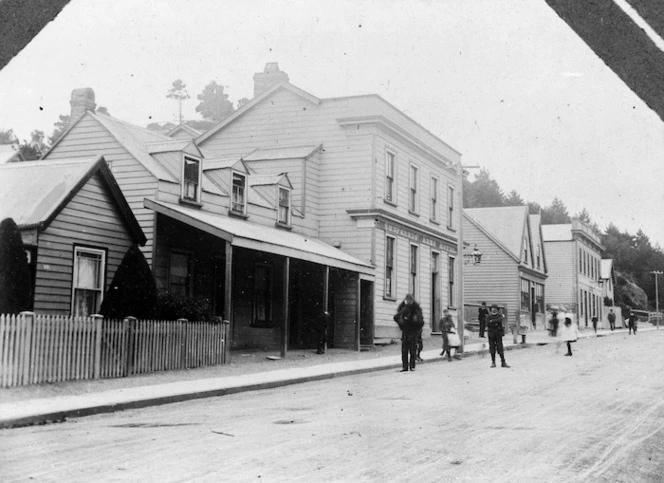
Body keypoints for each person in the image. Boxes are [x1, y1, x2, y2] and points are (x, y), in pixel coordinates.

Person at [393, 294, 424, 372]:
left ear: (412, 300)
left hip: (414, 332)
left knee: (412, 349)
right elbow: (396, 317)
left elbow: (421, 321)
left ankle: (412, 366)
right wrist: (402, 325)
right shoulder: (404, 308)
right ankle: (405, 367)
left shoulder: (417, 309)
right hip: (406, 331)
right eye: (407, 300)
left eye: (410, 300)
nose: (408, 301)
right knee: (405, 350)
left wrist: (417, 328)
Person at [487, 304, 510, 368]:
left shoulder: (499, 316)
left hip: (498, 334)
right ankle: (493, 362)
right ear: (491, 309)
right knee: (492, 348)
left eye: (495, 308)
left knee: (500, 348)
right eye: (492, 308)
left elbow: (500, 320)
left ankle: (503, 362)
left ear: (497, 309)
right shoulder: (489, 316)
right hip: (491, 334)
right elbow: (488, 323)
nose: (493, 309)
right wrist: (494, 322)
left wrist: (492, 321)